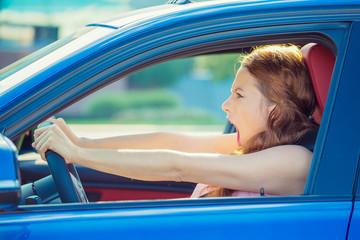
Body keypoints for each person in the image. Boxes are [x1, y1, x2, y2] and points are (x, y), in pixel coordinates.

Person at [32, 44, 318, 198]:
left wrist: (78, 155)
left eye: (239, 95)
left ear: (275, 111)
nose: (225, 105)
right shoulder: (261, 144)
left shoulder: (294, 161)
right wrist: (82, 142)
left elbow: (177, 164)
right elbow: (173, 142)